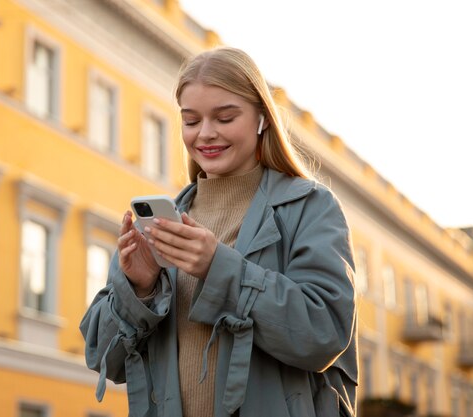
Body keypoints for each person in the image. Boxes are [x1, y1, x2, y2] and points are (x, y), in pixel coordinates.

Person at [80, 46, 358, 417]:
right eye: (191, 121)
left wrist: (218, 268)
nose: (205, 135)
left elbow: (323, 334)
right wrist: (140, 290)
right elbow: (103, 358)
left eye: (225, 118)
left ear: (262, 118)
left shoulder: (310, 207)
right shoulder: (164, 223)